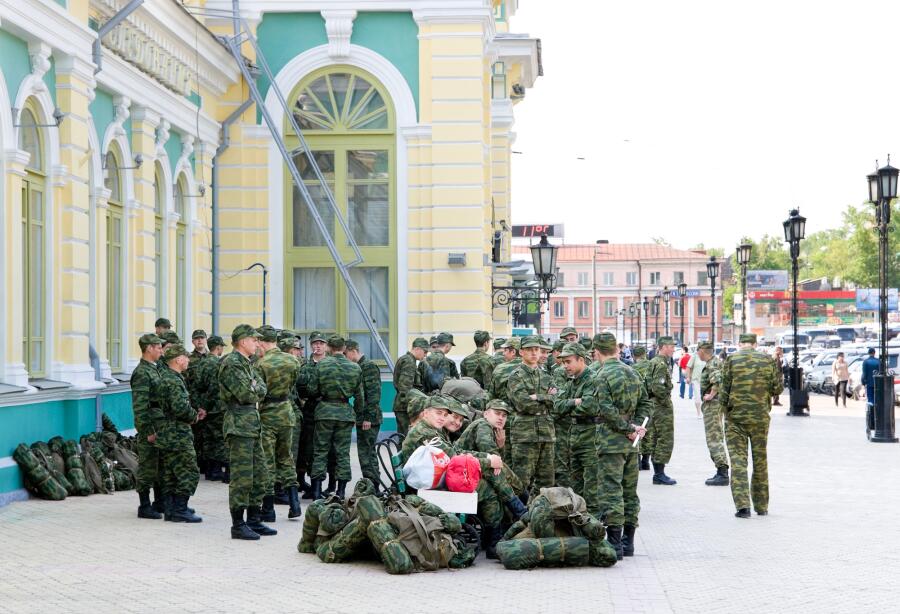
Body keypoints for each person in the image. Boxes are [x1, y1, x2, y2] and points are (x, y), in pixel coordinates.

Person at [403, 396, 526, 559]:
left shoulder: (432, 430)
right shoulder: (425, 433)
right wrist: (488, 461)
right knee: (488, 486)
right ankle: (512, 518)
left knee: (488, 477)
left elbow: (456, 451)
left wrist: (487, 457)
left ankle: (509, 520)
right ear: (425, 413)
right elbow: (454, 457)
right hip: (429, 485)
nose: (442, 418)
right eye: (438, 413)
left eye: (444, 415)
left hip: (437, 477)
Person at [593, 332, 651, 559]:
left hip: (610, 441)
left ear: (596, 351)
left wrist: (627, 429)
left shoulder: (601, 374)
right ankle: (629, 543)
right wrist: (637, 426)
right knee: (630, 491)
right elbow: (646, 402)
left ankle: (615, 544)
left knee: (611, 491)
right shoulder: (632, 372)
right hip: (631, 443)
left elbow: (605, 409)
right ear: (616, 350)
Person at [219, 324, 274, 540]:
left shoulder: (247, 363)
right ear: (242, 341)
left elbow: (262, 388)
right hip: (239, 424)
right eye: (253, 340)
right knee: (242, 477)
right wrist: (254, 388)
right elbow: (246, 394)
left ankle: (254, 519)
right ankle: (238, 524)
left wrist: (255, 387)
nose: (257, 343)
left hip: (252, 424)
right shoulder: (232, 364)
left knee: (260, 474)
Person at [719, 333, 781, 518]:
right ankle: (762, 506)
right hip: (760, 418)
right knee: (760, 461)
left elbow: (724, 390)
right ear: (755, 344)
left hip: (735, 419)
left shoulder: (731, 359)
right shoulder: (767, 360)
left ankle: (743, 507)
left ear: (740, 344)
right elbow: (777, 388)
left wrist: (723, 413)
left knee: (738, 462)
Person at [255, 325, 303, 522]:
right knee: (286, 457)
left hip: (268, 414)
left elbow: (259, 392)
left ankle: (268, 510)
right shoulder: (293, 360)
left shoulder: (261, 364)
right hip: (286, 411)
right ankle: (294, 504)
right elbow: (292, 385)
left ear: (263, 342)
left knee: (268, 460)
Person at [308, 336, 364, 501]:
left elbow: (312, 389)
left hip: (324, 411)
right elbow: (360, 397)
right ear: (344, 348)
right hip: (345, 414)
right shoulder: (354, 368)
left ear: (329, 348)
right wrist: (358, 414)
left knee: (320, 451)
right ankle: (340, 491)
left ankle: (317, 491)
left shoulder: (322, 365)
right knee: (342, 453)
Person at [552, 342, 601, 516]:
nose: (565, 366)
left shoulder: (593, 379)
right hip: (575, 437)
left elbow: (589, 407)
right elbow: (556, 406)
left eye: (568, 361)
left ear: (581, 360)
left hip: (590, 437)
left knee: (592, 483)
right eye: (563, 362)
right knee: (576, 482)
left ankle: (594, 520)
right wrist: (575, 401)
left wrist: (572, 405)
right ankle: (580, 517)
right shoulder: (573, 381)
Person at [158, 344, 204, 523]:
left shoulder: (168, 377)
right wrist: (194, 416)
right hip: (178, 433)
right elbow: (180, 408)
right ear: (178, 359)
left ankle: (171, 509)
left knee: (171, 472)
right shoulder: (173, 380)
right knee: (189, 470)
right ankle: (180, 508)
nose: (188, 360)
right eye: (185, 357)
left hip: (168, 432)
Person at [507, 335, 557, 493]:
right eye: (529, 350)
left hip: (547, 434)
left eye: (537, 349)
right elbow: (523, 404)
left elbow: (557, 400)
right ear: (521, 352)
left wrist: (539, 397)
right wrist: (546, 401)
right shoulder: (516, 376)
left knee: (547, 480)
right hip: (525, 435)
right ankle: (519, 516)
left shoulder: (546, 376)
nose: (534, 353)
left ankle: (537, 515)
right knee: (521, 481)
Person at [131, 333, 165, 519]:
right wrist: (147, 431)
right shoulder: (142, 373)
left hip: (160, 423)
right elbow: (140, 406)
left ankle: (159, 502)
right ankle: (144, 505)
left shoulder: (155, 368)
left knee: (160, 465)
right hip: (150, 425)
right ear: (149, 348)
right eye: (158, 346)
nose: (161, 349)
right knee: (147, 466)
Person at [345, 339, 383, 490]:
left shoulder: (368, 367)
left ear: (353, 351)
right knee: (364, 454)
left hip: (370, 419)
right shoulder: (359, 366)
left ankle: (374, 486)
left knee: (368, 454)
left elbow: (373, 394)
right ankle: (370, 484)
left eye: (346, 353)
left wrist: (368, 417)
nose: (345, 357)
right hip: (363, 417)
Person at [296, 331, 328, 497]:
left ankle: (318, 487)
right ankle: (302, 482)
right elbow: (299, 388)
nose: (318, 346)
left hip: (325, 413)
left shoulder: (329, 365)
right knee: (305, 449)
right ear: (311, 346)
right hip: (308, 413)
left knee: (322, 450)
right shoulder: (304, 366)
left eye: (321, 343)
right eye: (315, 343)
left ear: (326, 346)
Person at [191, 335, 227, 482]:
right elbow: (214, 388)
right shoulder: (218, 363)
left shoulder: (202, 363)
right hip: (216, 406)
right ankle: (216, 470)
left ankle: (209, 470)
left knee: (208, 439)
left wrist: (201, 406)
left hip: (204, 407)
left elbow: (197, 386)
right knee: (219, 440)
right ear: (218, 347)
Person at [645, 336, 677, 485]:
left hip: (654, 404)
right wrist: (665, 402)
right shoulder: (661, 364)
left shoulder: (654, 362)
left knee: (656, 437)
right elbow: (657, 387)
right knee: (664, 438)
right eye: (671, 346)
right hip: (660, 405)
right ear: (663, 347)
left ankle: (658, 472)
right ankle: (659, 474)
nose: (673, 349)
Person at [697, 342, 729, 486]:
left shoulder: (712, 364)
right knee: (715, 436)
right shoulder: (714, 362)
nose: (697, 353)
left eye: (698, 351)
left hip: (713, 405)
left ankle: (722, 473)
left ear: (703, 351)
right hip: (715, 404)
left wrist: (711, 395)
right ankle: (721, 471)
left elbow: (718, 380)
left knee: (714, 437)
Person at [392, 337, 428, 435]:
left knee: (404, 437)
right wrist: (414, 406)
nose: (425, 355)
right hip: (406, 406)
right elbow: (405, 388)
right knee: (407, 438)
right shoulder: (408, 361)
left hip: (403, 405)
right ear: (417, 349)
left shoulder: (408, 360)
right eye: (424, 352)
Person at [631, 346, 653, 471]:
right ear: (645, 354)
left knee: (639, 429)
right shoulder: (652, 365)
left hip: (639, 403)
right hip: (651, 402)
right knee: (649, 431)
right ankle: (646, 461)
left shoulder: (633, 369)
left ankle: (638, 460)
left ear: (634, 356)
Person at [861, 348, 880, 438]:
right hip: (878, 384)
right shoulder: (878, 361)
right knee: (877, 401)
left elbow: (864, 374)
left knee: (870, 401)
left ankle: (871, 418)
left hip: (869, 384)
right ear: (874, 353)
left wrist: (863, 382)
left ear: (869, 353)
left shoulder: (866, 362)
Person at [685, 346, 705, 418]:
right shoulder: (695, 356)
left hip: (706, 380)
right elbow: (688, 367)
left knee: (705, 397)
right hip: (696, 380)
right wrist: (688, 377)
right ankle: (699, 413)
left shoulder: (707, 357)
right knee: (698, 397)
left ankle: (705, 411)